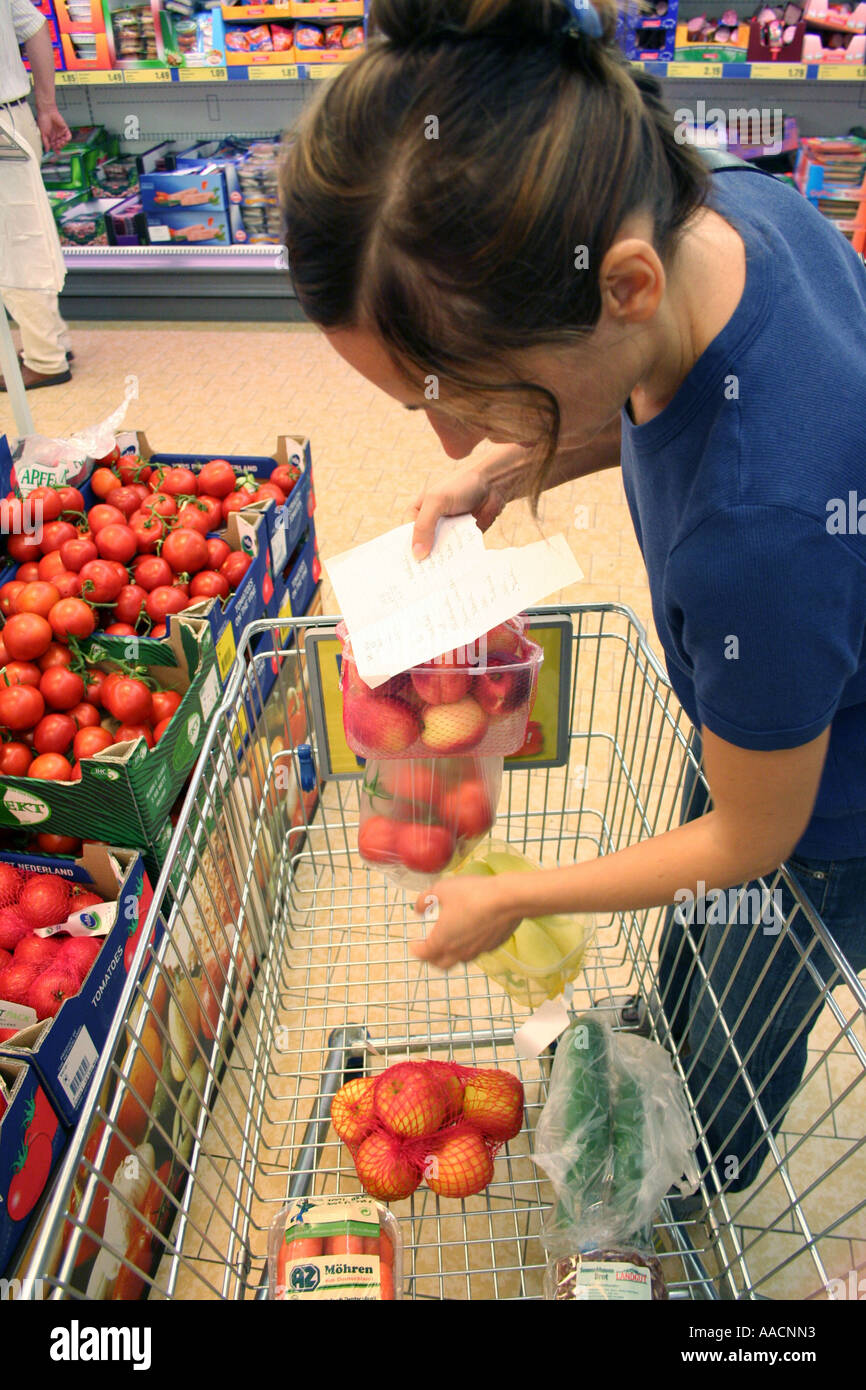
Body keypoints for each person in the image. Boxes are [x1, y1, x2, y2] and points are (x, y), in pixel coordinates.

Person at [280, 0, 866, 1194]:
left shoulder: (758, 537)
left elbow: (755, 834)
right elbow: (689, 401)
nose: (447, 430)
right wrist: (516, 456)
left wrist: (520, 900)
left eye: (468, 393)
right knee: (701, 933)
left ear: (624, 285)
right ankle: (676, 1033)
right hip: (775, 680)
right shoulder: (730, 213)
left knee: (748, 988)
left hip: (828, 806)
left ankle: (706, 1159)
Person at [0, 0, 72, 391]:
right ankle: (50, 340)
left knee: (12, 245)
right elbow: (36, 26)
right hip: (15, 114)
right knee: (28, 232)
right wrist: (46, 105)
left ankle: (45, 358)